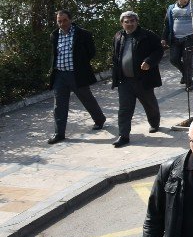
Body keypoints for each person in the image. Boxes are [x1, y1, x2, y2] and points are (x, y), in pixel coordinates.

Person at [48, 9, 106, 144]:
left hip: (76, 74)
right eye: (59, 21)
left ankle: (99, 119)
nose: (62, 24)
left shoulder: (83, 34)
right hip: (60, 75)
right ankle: (59, 133)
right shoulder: (55, 35)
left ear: (71, 20)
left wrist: (80, 63)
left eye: (64, 20)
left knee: (87, 99)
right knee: (59, 105)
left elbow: (91, 52)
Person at [111, 10, 163, 148]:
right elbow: (115, 57)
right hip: (125, 81)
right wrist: (116, 77)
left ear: (137, 22)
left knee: (149, 104)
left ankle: (154, 123)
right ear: (122, 23)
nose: (129, 24)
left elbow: (159, 50)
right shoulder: (118, 36)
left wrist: (149, 62)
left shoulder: (147, 35)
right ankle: (123, 135)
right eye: (126, 22)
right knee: (124, 109)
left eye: (132, 21)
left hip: (142, 79)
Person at [161, 0, 193, 91]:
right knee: (173, 59)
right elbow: (167, 25)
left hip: (189, 38)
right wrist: (164, 38)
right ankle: (185, 75)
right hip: (175, 39)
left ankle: (189, 83)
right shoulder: (171, 8)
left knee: (187, 61)